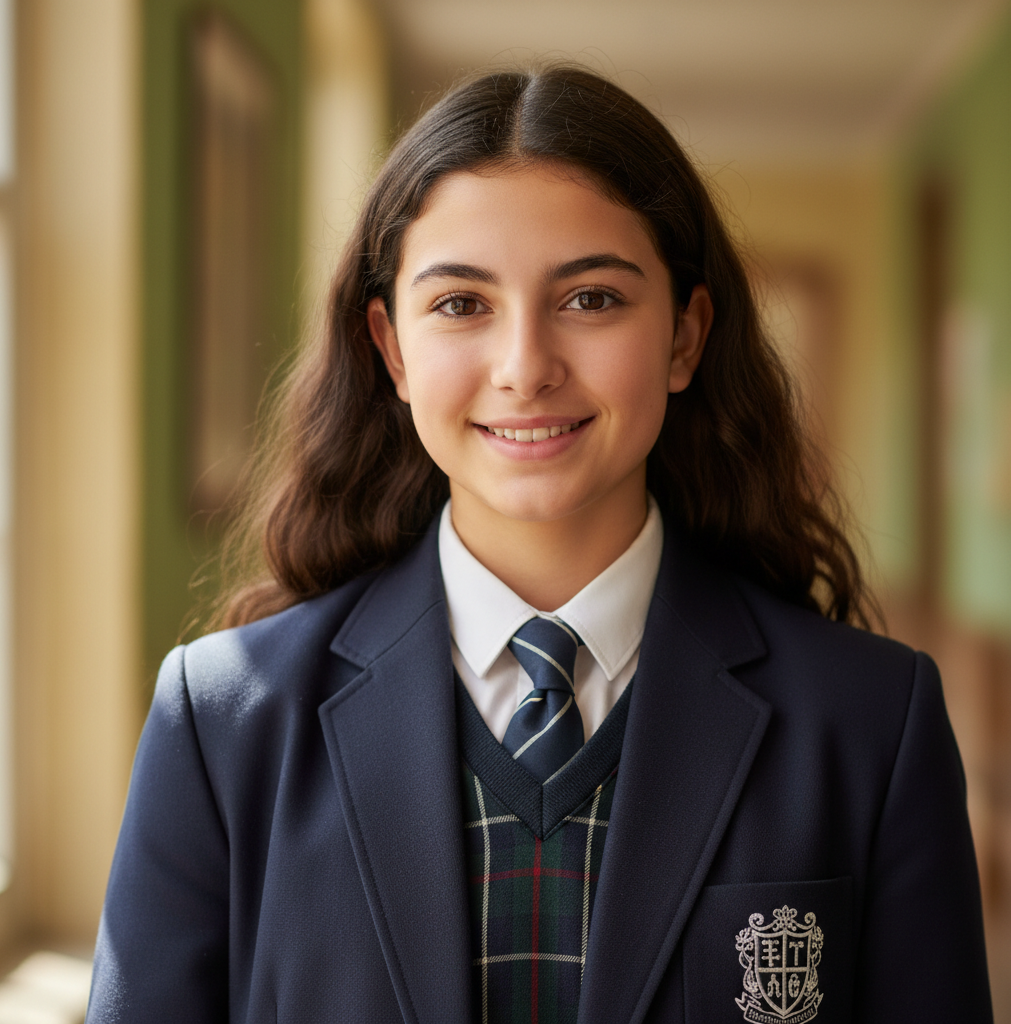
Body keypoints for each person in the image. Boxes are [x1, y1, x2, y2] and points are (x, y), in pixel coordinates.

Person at [86, 65, 992, 1024]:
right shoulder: (225, 722)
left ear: (685, 337)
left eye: (592, 299)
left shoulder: (869, 722)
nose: (526, 368)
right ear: (391, 350)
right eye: (461, 304)